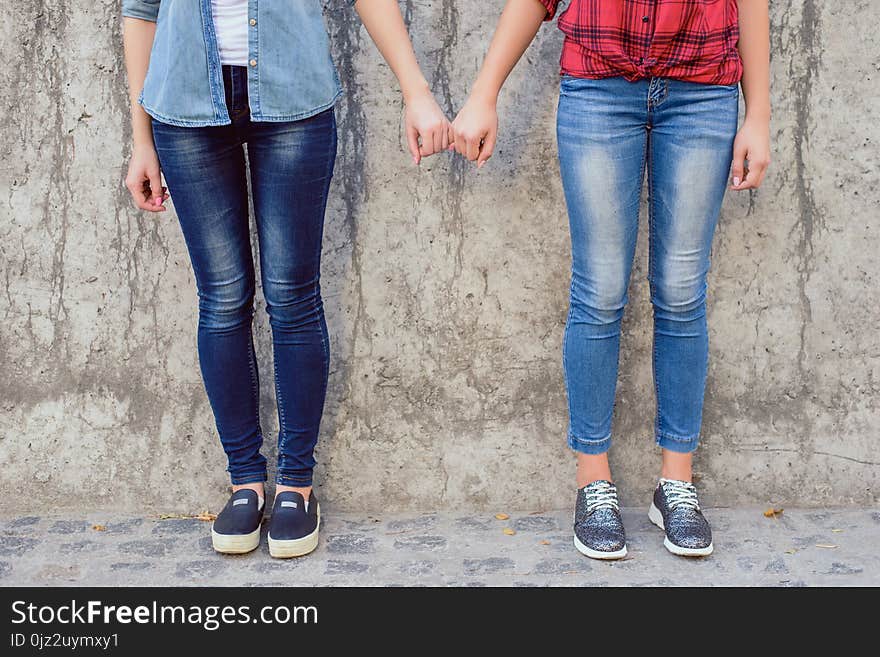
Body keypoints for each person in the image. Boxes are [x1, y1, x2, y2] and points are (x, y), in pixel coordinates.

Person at [121, 0, 452, 558]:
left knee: (293, 296)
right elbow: (141, 8)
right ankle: (245, 480)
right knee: (223, 299)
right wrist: (141, 139)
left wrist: (415, 90)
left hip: (293, 98)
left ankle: (297, 483)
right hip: (183, 104)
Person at [452, 0, 771, 558]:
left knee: (680, 289)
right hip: (598, 91)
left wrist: (759, 114)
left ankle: (676, 483)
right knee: (598, 289)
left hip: (703, 93)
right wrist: (484, 93)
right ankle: (592, 483)